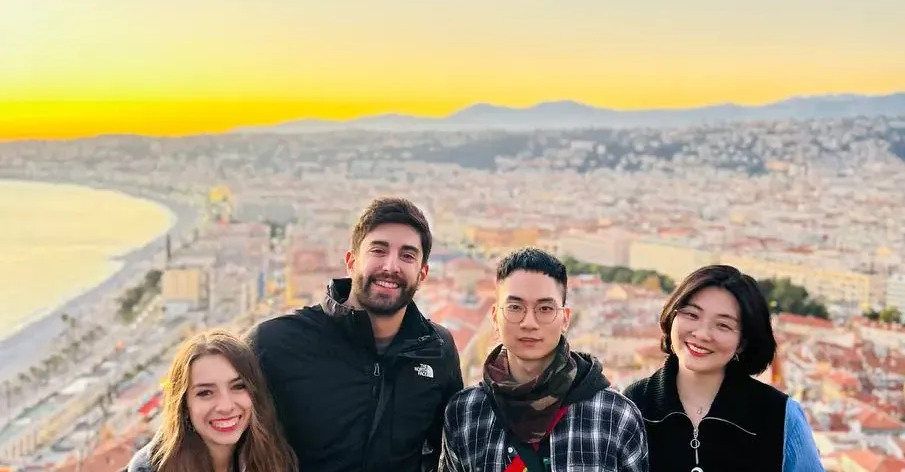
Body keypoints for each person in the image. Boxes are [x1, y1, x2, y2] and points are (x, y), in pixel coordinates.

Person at [247, 197, 464, 472]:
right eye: (378, 250)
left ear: (422, 274)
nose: (391, 266)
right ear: (351, 261)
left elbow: (451, 451)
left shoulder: (438, 350)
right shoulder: (274, 343)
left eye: (407, 255)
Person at [439, 247, 649, 472]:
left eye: (545, 308)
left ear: (565, 319)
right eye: (515, 307)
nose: (529, 322)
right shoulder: (465, 412)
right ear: (494, 317)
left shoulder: (615, 416)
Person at [623, 264, 825, 472]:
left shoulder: (780, 415)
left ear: (743, 342)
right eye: (692, 315)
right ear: (672, 316)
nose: (702, 334)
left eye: (723, 325)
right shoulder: (632, 405)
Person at [126, 329, 298, 472]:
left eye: (238, 387)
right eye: (206, 392)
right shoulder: (151, 468)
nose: (226, 406)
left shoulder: (275, 456)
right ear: (184, 405)